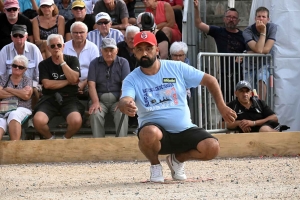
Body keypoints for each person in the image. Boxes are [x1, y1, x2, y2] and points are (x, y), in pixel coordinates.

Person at [118, 31, 237, 182]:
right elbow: (125, 99)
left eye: (148, 48)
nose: (144, 53)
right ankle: (155, 167)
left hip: (184, 130)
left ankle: (177, 160)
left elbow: (210, 80)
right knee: (149, 132)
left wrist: (222, 106)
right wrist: (125, 104)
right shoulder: (131, 78)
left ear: (157, 49)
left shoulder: (177, 68)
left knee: (212, 147)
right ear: (134, 52)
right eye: (139, 49)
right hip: (156, 135)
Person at [33, 34, 85, 139]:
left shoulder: (72, 60)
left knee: (76, 121)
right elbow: (47, 84)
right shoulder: (43, 64)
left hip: (69, 98)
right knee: (38, 121)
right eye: (52, 46)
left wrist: (62, 62)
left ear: (63, 46)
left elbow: (75, 79)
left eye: (59, 45)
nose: (56, 48)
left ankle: (65, 139)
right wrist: (68, 81)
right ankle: (51, 139)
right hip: (49, 98)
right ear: (48, 48)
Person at [194, 0, 246, 102]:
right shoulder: (218, 31)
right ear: (224, 19)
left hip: (240, 73)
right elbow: (198, 24)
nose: (231, 19)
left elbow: (251, 49)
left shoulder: (244, 35)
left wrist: (243, 55)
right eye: (229, 17)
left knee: (241, 101)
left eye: (234, 18)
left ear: (238, 21)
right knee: (225, 102)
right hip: (224, 74)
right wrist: (196, 8)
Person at [88, 38, 130, 137]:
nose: (109, 53)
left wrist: (121, 101)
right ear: (101, 50)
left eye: (111, 50)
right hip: (100, 99)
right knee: (95, 113)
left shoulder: (123, 62)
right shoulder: (94, 63)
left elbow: (125, 84)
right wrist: (95, 102)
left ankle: (122, 142)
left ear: (117, 50)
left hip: (117, 98)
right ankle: (99, 143)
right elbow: (91, 84)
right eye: (106, 50)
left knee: (122, 111)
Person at [0, 24, 43, 110]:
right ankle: (8, 113)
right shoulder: (5, 50)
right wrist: (16, 91)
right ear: (11, 37)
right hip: (9, 83)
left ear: (26, 36)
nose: (18, 38)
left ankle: (31, 113)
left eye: (21, 35)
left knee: (29, 92)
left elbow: (40, 72)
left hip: (30, 83)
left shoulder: (34, 49)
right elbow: (1, 73)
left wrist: (33, 85)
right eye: (15, 35)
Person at [243, 7, 277, 101]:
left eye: (263, 17)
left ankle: (261, 106)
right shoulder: (247, 31)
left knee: (262, 80)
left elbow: (266, 50)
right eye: (259, 16)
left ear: (268, 19)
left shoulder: (272, 27)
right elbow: (259, 50)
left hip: (264, 63)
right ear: (255, 18)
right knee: (248, 89)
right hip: (248, 65)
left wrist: (250, 52)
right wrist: (263, 32)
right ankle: (250, 110)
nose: (261, 19)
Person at [0, 55, 33, 140]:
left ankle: (14, 146)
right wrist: (19, 92)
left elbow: (26, 96)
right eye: (15, 66)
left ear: (25, 69)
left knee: (14, 115)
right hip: (4, 108)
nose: (17, 68)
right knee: (0, 122)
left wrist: (9, 89)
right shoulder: (4, 78)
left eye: (20, 67)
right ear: (11, 66)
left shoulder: (27, 80)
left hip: (22, 107)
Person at [117, 25, 139, 128]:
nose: (132, 41)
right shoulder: (119, 48)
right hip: (122, 79)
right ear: (125, 39)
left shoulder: (142, 48)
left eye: (135, 38)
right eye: (130, 38)